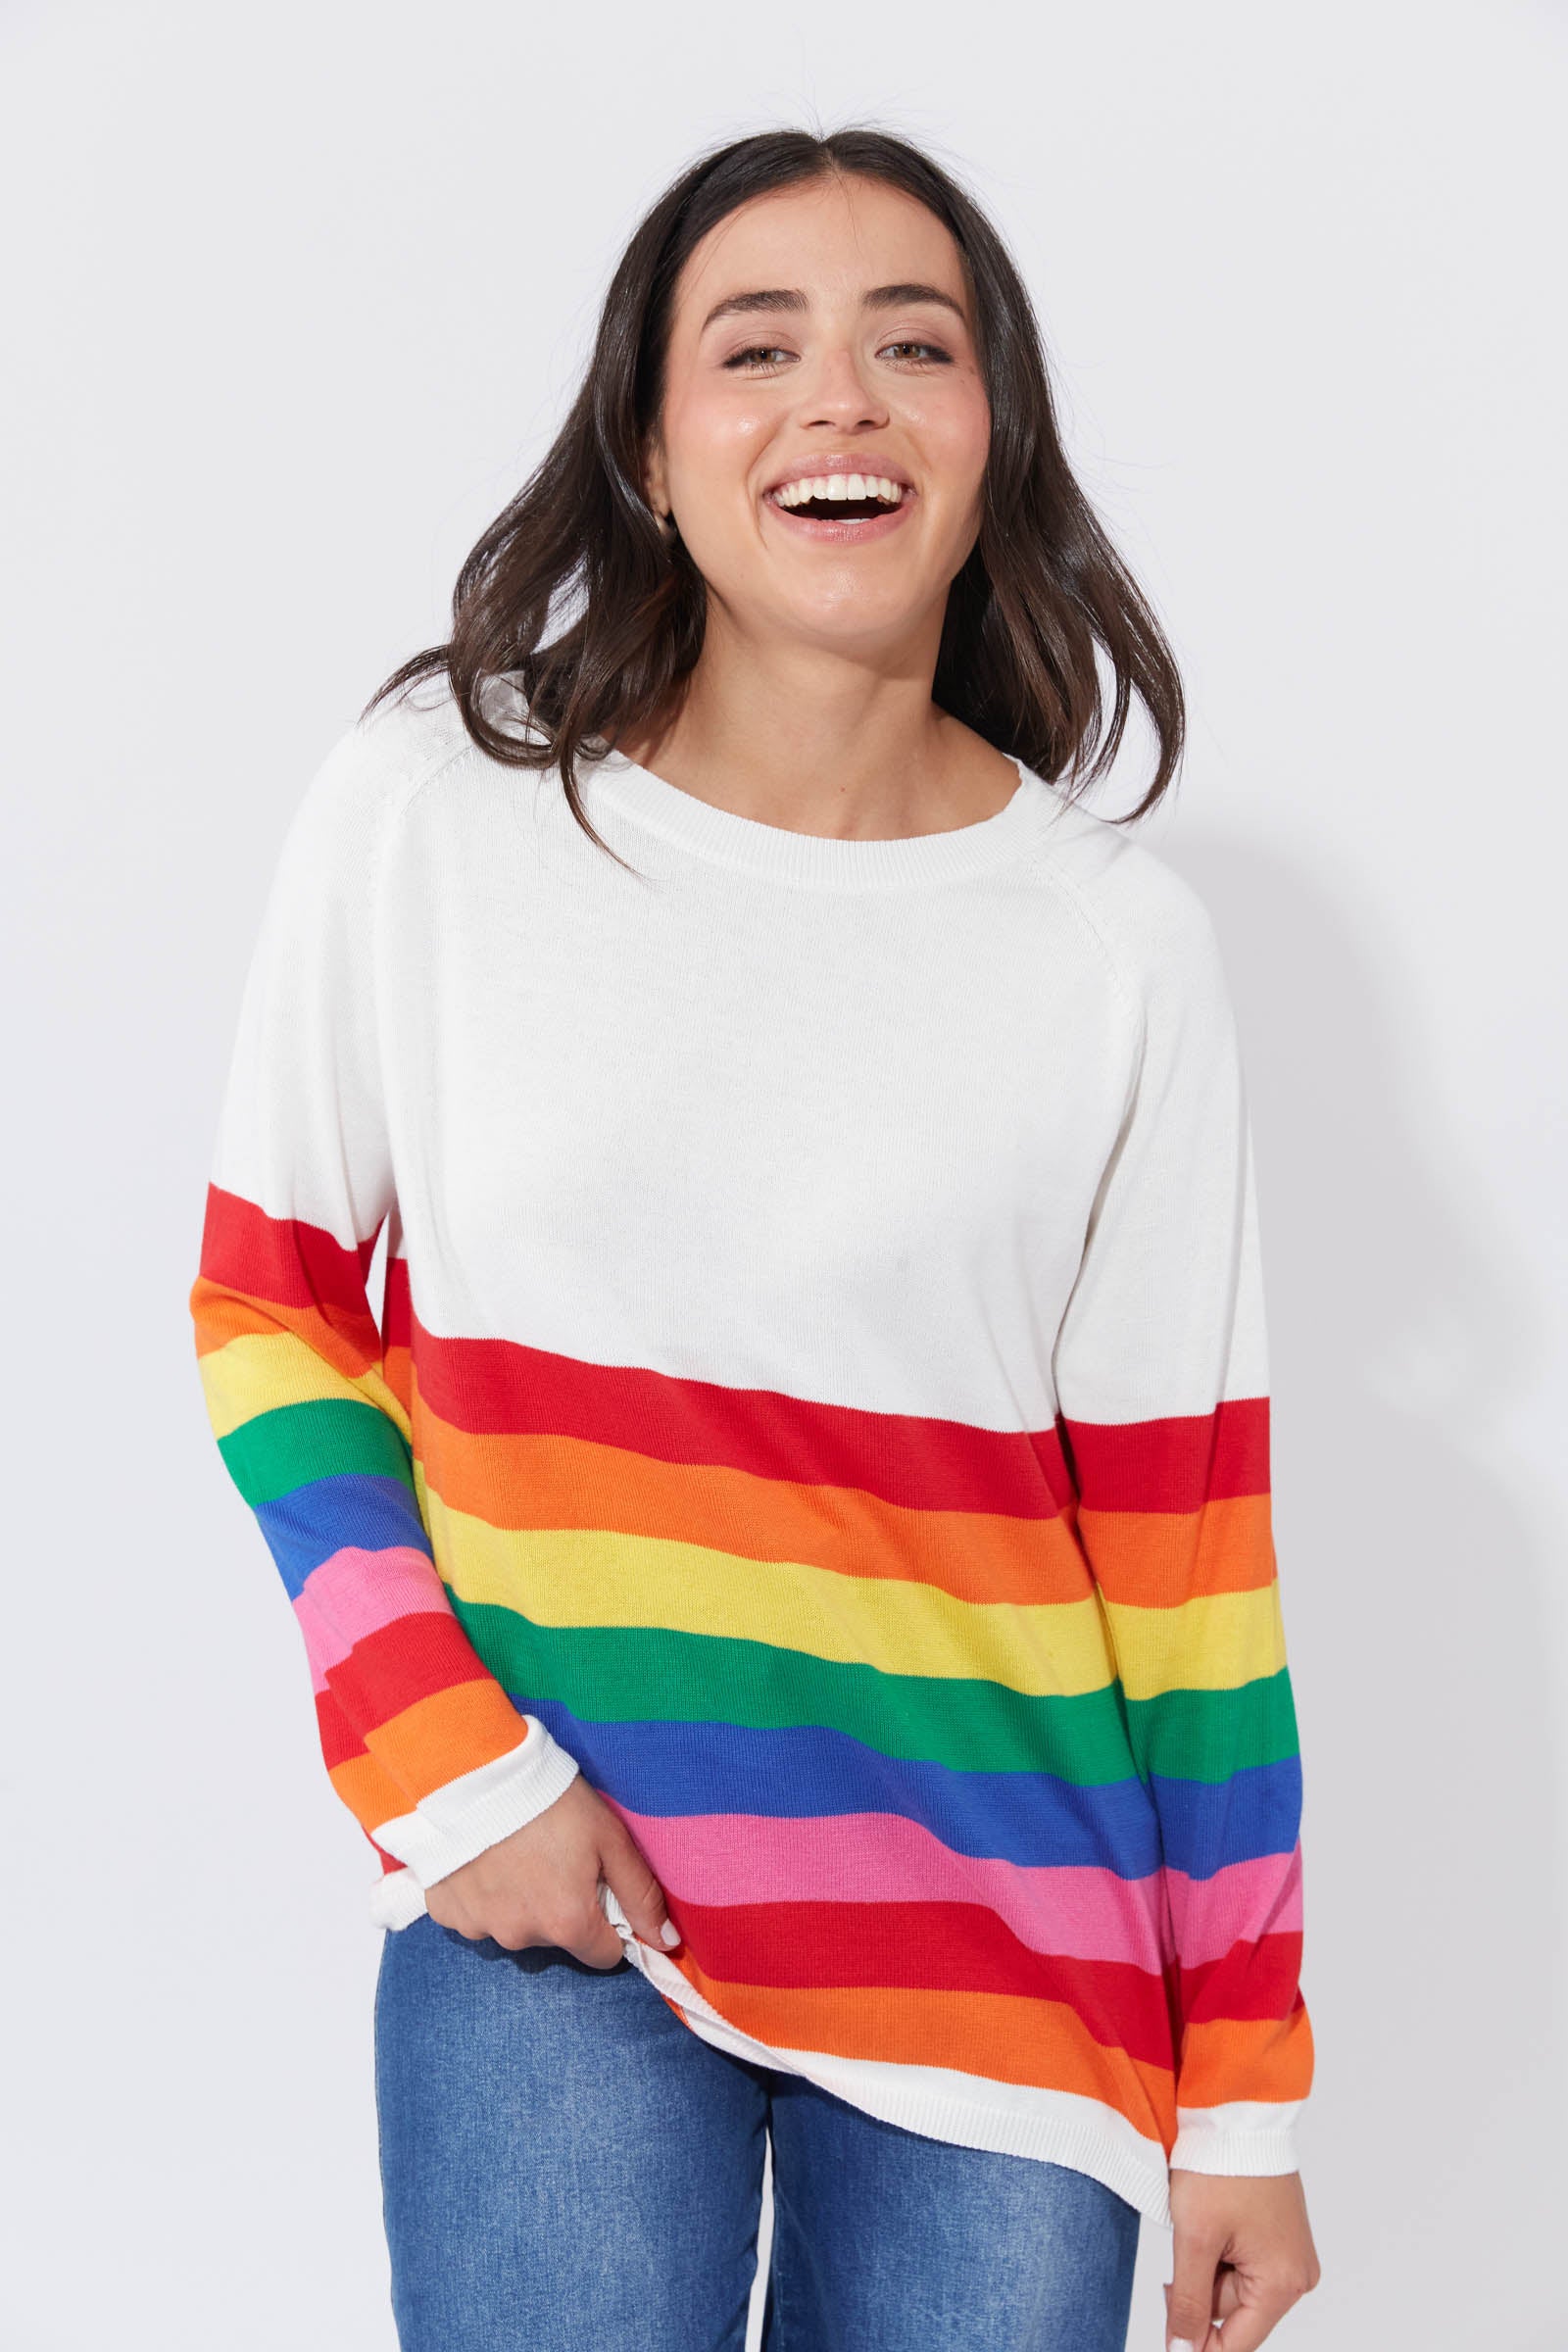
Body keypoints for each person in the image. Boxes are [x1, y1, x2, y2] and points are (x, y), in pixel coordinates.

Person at [188, 123, 1321, 2352]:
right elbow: (270, 1303)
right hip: (557, 1891)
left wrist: (1247, 2105)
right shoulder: (442, 806)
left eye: (915, 344)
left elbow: (1186, 1563)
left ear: (992, 436)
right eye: (757, 346)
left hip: (1012, 1976)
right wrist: (451, 1765)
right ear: (650, 443)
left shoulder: (1112, 947)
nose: (840, 400)